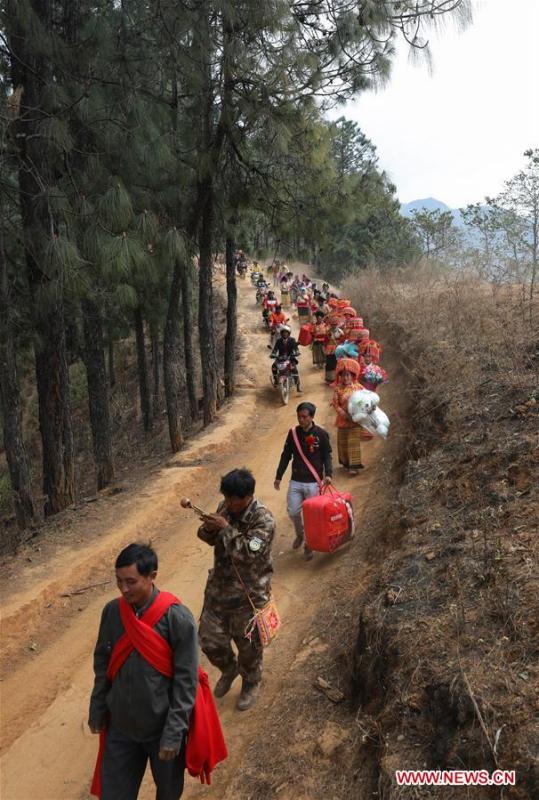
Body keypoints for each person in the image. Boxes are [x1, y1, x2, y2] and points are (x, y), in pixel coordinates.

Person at [88, 543, 198, 800]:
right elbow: (103, 662)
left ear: (152, 576)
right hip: (121, 728)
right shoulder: (113, 612)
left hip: (162, 729)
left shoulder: (177, 618)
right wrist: (97, 708)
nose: (124, 589)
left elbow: (186, 681)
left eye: (131, 582)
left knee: (168, 793)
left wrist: (173, 733)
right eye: (118, 582)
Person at [198, 469, 276, 712]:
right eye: (226, 497)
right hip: (218, 592)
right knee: (210, 641)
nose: (229, 503)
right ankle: (229, 669)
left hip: (248, 597)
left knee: (249, 648)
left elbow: (249, 554)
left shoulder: (263, 521)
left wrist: (225, 528)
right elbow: (205, 537)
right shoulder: (225, 508)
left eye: (234, 499)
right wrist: (211, 528)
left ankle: (251, 682)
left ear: (248, 496)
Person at [274, 402, 333, 561]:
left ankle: (309, 544)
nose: (301, 420)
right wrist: (279, 476)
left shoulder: (321, 434)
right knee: (293, 511)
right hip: (296, 481)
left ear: (312, 417)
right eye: (299, 416)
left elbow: (327, 455)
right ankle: (300, 534)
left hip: (313, 483)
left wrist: (328, 474)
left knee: (311, 517)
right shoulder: (293, 434)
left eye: (304, 417)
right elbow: (286, 455)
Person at [331, 359, 365, 475]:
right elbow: (335, 404)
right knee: (343, 443)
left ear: (352, 375)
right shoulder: (338, 389)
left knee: (353, 443)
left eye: (347, 375)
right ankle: (346, 463)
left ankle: (354, 467)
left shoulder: (359, 388)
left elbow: (365, 402)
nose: (345, 378)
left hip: (355, 422)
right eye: (343, 375)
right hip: (342, 421)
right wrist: (344, 414)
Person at [270, 326, 301, 391]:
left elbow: (295, 348)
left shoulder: (292, 340)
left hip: (290, 357)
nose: (284, 334)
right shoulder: (278, 341)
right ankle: (276, 380)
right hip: (280, 358)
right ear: (281, 333)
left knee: (294, 369)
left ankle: (298, 385)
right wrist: (273, 354)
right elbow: (275, 349)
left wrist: (297, 352)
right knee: (273, 367)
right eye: (283, 333)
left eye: (286, 332)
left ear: (289, 333)